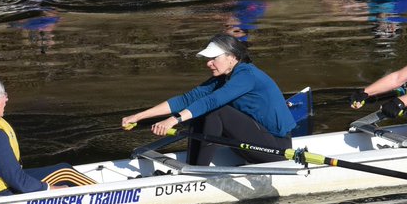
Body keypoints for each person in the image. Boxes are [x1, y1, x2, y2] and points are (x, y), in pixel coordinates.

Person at [121, 34, 296, 165]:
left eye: (214, 58)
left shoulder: (247, 76)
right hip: (252, 142)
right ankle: (193, 167)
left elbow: (212, 101)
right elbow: (186, 100)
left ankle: (198, 172)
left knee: (215, 110)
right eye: (208, 59)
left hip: (275, 149)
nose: (208, 63)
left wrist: (174, 120)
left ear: (232, 57)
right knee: (197, 109)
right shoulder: (224, 77)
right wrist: (138, 116)